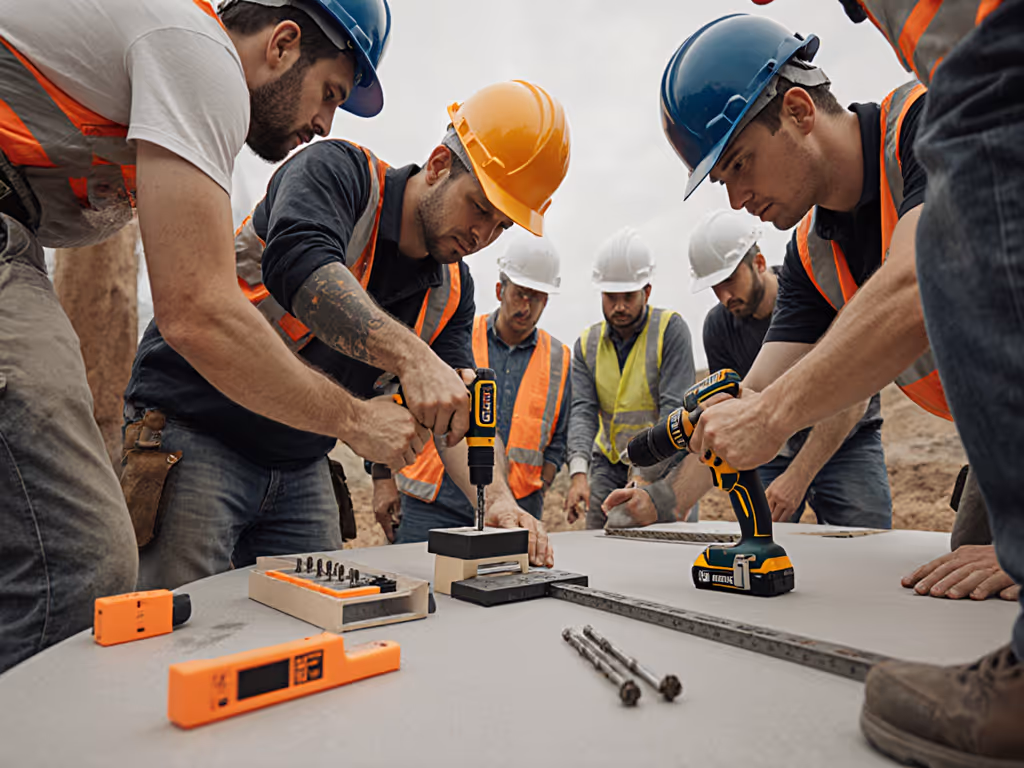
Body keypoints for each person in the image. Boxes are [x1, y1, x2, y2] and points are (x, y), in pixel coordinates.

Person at [663, 8, 1024, 764]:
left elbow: (917, 282)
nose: (736, 201)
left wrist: (769, 421)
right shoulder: (813, 253)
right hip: (1005, 431)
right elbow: (754, 399)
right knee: (960, 583)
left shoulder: (927, 122)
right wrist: (665, 496)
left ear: (797, 109)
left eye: (738, 166)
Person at [0, 0, 396, 675]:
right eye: (329, 92)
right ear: (283, 42)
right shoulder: (201, 55)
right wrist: (354, 419)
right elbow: (197, 312)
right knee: (74, 557)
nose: (325, 124)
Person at [124, 80, 568, 589]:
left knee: (315, 627)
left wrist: (501, 505)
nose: (482, 235)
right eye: (480, 207)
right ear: (440, 165)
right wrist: (413, 359)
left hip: (299, 459)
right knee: (180, 617)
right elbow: (301, 268)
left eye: (501, 226)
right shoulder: (340, 174)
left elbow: (452, 411)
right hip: (196, 429)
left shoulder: (451, 287)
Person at [608, 209, 892, 529]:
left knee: (866, 536)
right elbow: (724, 419)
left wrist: (797, 478)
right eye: (714, 286)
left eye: (729, 280)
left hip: (845, 441)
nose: (724, 296)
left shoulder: (813, 294)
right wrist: (664, 501)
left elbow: (853, 397)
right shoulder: (718, 327)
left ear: (758, 264)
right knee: (765, 539)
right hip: (771, 447)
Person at [384, 236, 571, 542]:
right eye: (520, 294)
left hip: (513, 507)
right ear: (500, 290)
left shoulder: (559, 358)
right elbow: (398, 399)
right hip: (435, 503)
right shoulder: (456, 337)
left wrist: (540, 487)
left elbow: (559, 438)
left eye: (536, 297)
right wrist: (383, 479)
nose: (526, 305)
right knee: (422, 584)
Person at [564, 227, 696, 529]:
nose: (619, 306)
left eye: (628, 296)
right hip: (609, 466)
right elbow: (583, 412)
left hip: (665, 464)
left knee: (669, 545)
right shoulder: (587, 344)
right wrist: (579, 475)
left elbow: (675, 410)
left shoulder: (670, 330)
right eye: (611, 297)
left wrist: (642, 476)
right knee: (599, 545)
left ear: (646, 292)